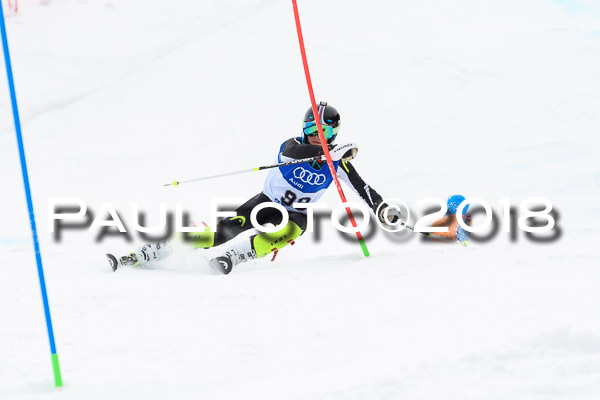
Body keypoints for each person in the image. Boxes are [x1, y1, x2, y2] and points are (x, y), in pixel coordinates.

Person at [106, 101, 401, 274]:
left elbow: (365, 190)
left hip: (295, 214)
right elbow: (296, 156)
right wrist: (327, 154)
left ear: (334, 132)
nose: (315, 135)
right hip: (264, 204)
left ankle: (236, 256)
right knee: (219, 235)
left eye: (323, 132)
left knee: (293, 229)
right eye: (311, 129)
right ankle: (153, 250)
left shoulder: (339, 162)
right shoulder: (293, 147)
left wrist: (382, 209)